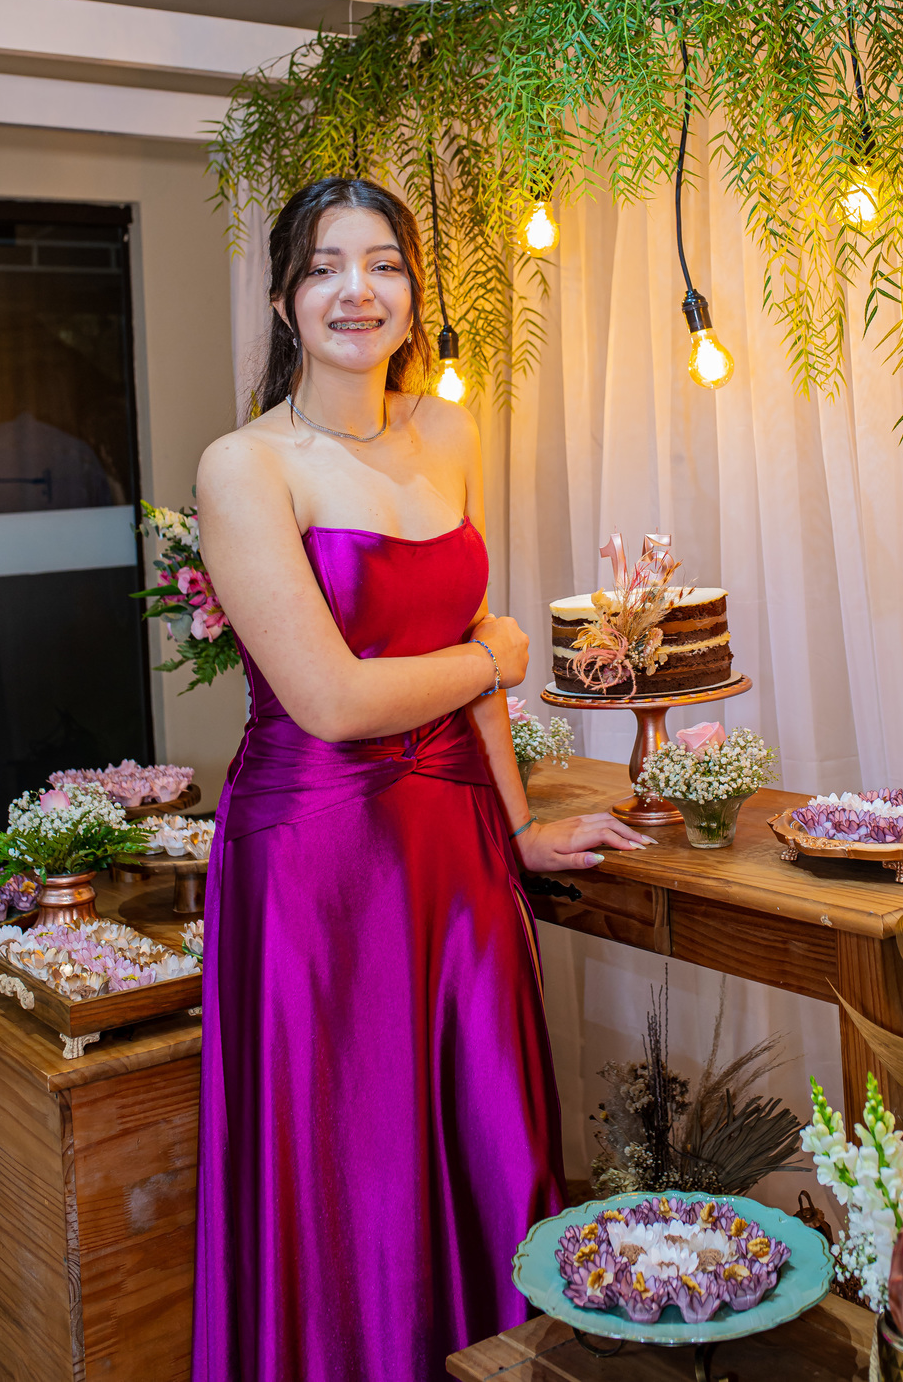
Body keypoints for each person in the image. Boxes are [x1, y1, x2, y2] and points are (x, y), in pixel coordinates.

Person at [191, 175, 652, 1382]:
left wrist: (518, 828)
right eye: (325, 267)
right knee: (354, 1180)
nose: (359, 290)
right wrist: (490, 655)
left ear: (412, 289)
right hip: (318, 865)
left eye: (384, 263)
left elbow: (465, 641)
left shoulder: (449, 429)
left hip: (457, 850)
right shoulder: (244, 467)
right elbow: (334, 699)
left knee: (492, 1143)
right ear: (285, 302)